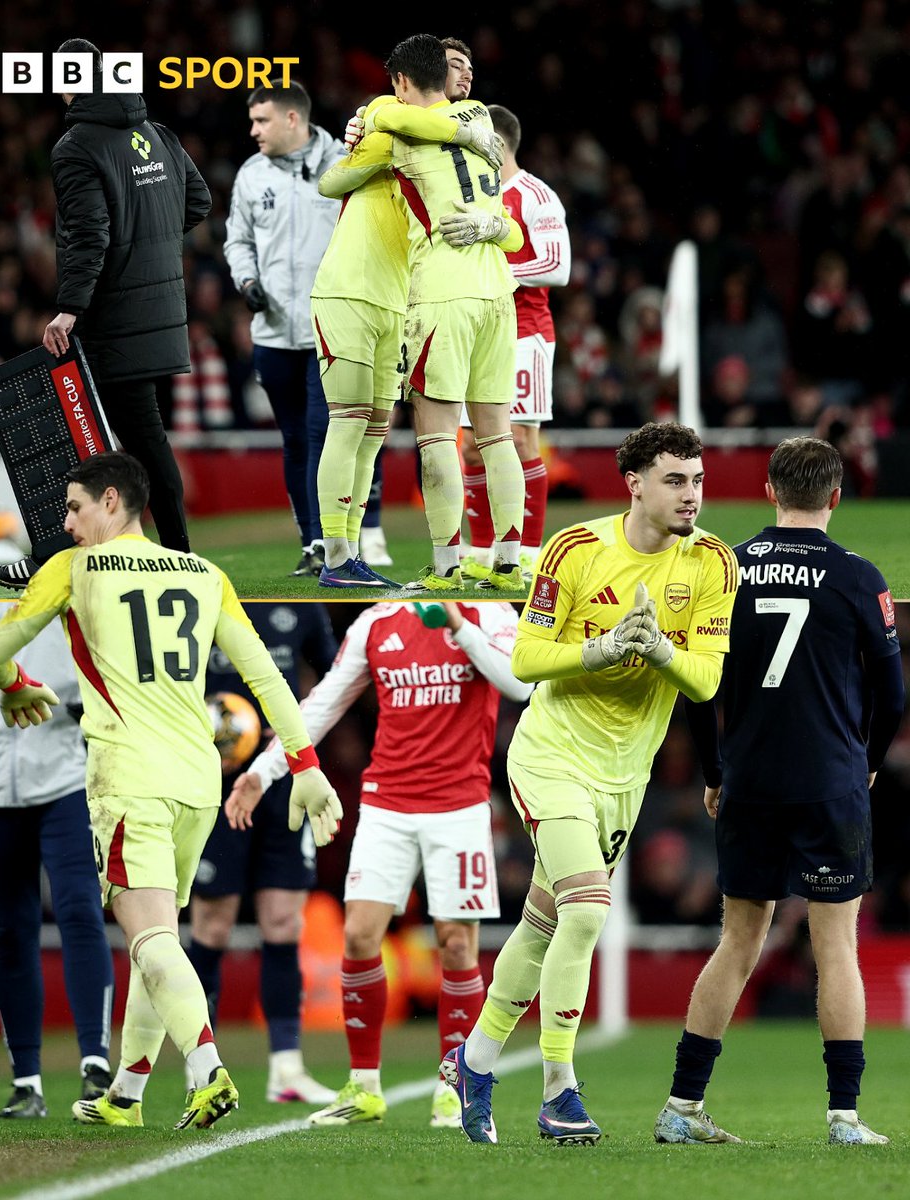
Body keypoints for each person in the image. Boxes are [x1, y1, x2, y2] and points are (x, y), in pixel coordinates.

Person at [0, 450, 342, 1131]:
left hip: (129, 779)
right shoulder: (205, 573)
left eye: (75, 508)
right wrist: (307, 765)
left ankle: (206, 1070)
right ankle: (126, 1095)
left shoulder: (71, 569)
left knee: (146, 937)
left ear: (113, 502)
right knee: (163, 936)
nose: (67, 523)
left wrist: (16, 688)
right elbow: (265, 675)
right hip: (199, 778)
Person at [440, 421, 740, 1145]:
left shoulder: (713, 565)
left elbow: (705, 684)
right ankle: (558, 1089)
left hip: (623, 777)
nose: (691, 495)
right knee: (587, 910)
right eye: (674, 480)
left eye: (697, 480)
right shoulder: (575, 549)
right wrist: (603, 648)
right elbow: (531, 659)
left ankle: (475, 1060)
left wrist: (660, 649)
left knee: (544, 925)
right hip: (550, 757)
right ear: (634, 482)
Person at [654, 436, 905, 1147]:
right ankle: (845, 1119)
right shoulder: (859, 576)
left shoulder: (725, 568)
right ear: (835, 496)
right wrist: (869, 762)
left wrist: (713, 771)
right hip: (830, 784)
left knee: (737, 940)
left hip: (751, 783)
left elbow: (698, 687)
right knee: (836, 946)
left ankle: (681, 1106)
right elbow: (892, 692)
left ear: (768, 490)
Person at [225, 600, 533, 1128]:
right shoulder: (377, 621)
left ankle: (453, 1087)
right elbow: (324, 702)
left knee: (456, 943)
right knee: (360, 937)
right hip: (386, 805)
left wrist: (460, 626)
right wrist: (264, 770)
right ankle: (363, 1085)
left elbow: (518, 683)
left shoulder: (489, 610)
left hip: (459, 808)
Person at [0, 37, 211, 591]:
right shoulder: (157, 134)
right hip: (161, 313)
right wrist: (149, 250)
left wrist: (69, 309)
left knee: (84, 436)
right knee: (139, 437)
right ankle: (163, 555)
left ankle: (70, 560)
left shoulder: (75, 146)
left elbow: (90, 234)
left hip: (111, 319)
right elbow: (198, 201)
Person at [312, 41, 503, 590]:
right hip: (347, 292)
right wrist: (363, 149)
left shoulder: (412, 135)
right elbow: (329, 182)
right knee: (348, 421)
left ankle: (350, 556)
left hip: (398, 298)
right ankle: (333, 555)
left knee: (373, 431)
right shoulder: (390, 135)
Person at [369, 34, 526, 594]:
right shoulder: (479, 116)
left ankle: (445, 568)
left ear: (403, 83)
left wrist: (365, 122)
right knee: (497, 436)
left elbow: (374, 127)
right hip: (497, 294)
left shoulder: (399, 132)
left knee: (436, 437)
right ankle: (508, 563)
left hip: (441, 291)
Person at [0, 601, 114, 1118]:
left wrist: (80, 710)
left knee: (80, 912)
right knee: (12, 933)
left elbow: (111, 678)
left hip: (64, 781)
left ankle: (96, 1070)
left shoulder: (70, 584)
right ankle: (27, 1084)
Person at [187, 602, 338, 1104]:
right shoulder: (198, 598)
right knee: (211, 926)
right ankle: (201, 1067)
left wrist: (296, 728)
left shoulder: (302, 605)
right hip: (212, 783)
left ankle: (287, 1069)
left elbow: (336, 678)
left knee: (283, 924)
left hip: (283, 782)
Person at [224, 80, 362, 578]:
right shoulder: (250, 174)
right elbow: (236, 239)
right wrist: (246, 278)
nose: (253, 130)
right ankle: (311, 543)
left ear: (291, 119)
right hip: (273, 331)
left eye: (261, 121)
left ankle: (333, 540)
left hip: (331, 327)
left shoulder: (346, 163)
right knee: (294, 440)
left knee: (322, 433)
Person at [460, 105, 571, 582]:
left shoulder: (535, 195)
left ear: (498, 144)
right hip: (477, 334)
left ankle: (527, 550)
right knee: (469, 447)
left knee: (521, 439)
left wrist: (496, 274)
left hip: (525, 333)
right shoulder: (471, 195)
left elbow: (557, 266)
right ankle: (482, 550)